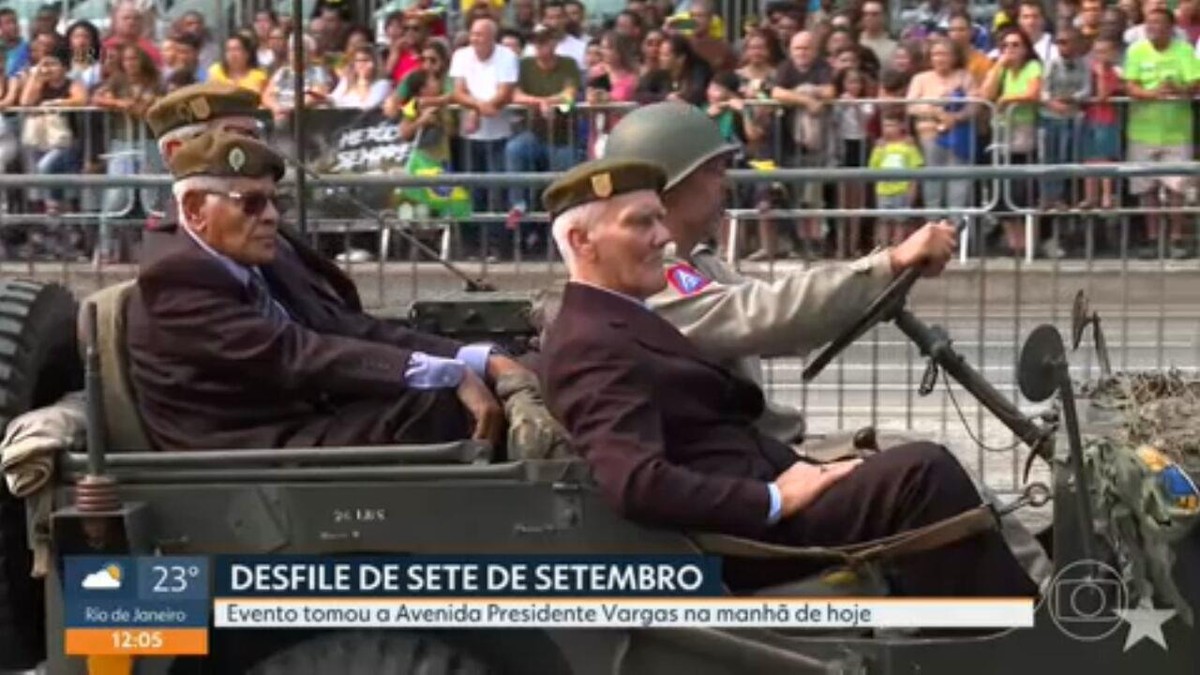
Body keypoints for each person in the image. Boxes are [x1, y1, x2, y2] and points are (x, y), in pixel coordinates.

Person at [594, 101, 1053, 588]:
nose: (725, 183)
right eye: (714, 171)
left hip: (766, 456)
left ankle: (1039, 588)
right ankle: (1046, 613)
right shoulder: (655, 283)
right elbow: (764, 314)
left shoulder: (691, 266)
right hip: (751, 480)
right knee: (926, 474)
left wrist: (873, 281)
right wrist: (887, 264)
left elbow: (776, 309)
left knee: (928, 462)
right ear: (673, 184)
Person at [124, 130, 520, 452]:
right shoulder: (176, 274)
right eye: (251, 203)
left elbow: (341, 328)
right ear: (194, 209)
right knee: (440, 406)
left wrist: (473, 357)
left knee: (507, 374)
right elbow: (295, 353)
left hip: (296, 416)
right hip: (247, 447)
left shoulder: (243, 256)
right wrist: (447, 374)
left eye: (273, 202)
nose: (271, 217)